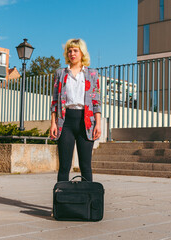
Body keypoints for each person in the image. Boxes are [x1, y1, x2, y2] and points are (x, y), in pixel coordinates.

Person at [50, 39, 102, 182]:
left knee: (86, 166)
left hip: (85, 121)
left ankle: (87, 201)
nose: (72, 53)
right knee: (64, 166)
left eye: (75, 50)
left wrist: (98, 124)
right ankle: (61, 202)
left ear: (82, 53)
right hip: (65, 121)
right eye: (69, 50)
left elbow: (96, 101)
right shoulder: (60, 73)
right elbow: (55, 100)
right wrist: (53, 123)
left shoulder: (92, 74)